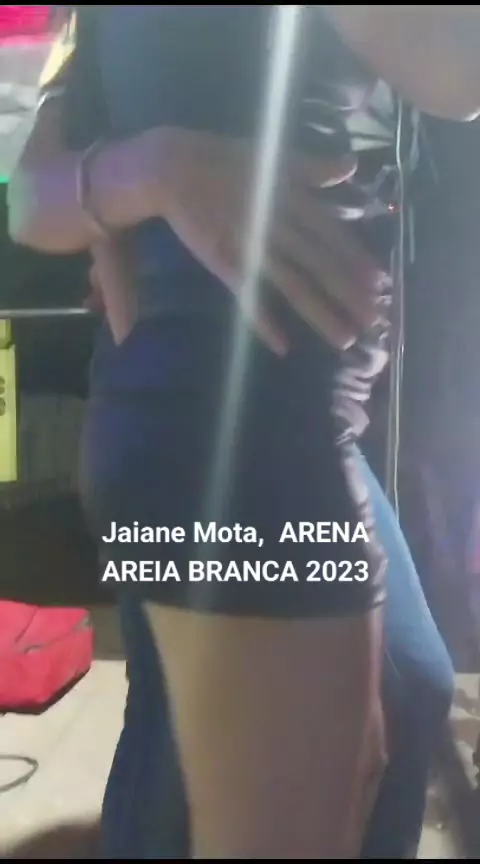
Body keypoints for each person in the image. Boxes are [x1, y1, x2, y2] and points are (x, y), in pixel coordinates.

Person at [9, 5, 477, 857]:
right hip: (227, 423)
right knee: (194, 763)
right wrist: (151, 170)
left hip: (238, 417)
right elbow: (459, 69)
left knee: (406, 686)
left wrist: (154, 169)